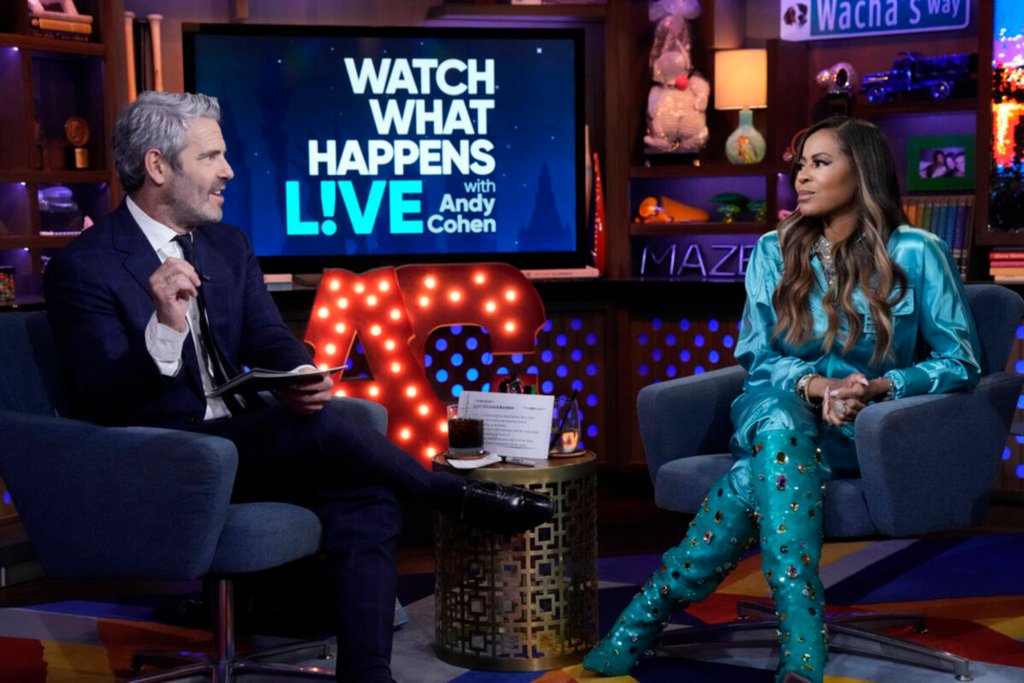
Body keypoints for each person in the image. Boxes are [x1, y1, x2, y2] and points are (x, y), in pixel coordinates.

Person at [43, 91, 554, 683]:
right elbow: (101, 399)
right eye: (211, 157)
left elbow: (266, 334)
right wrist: (163, 325)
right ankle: (453, 496)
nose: (228, 172)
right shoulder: (87, 266)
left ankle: (368, 675)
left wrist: (300, 374)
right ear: (158, 167)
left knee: (367, 491)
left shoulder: (226, 245)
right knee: (334, 427)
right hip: (162, 459)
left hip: (244, 445)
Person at [582, 115, 981, 683]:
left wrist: (877, 387)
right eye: (800, 166)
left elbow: (961, 360)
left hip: (868, 428)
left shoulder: (917, 250)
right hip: (777, 404)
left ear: (861, 171)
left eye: (821, 163)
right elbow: (760, 358)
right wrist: (818, 387)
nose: (802, 177)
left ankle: (644, 617)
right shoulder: (774, 248)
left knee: (756, 479)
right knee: (776, 417)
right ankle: (802, 638)